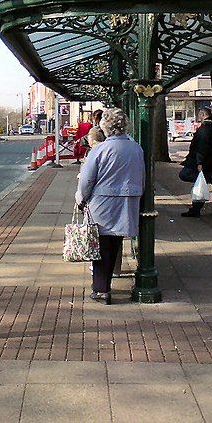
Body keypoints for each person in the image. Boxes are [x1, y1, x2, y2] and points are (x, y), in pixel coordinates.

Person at [75, 108, 145, 305]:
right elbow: (142, 177)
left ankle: (101, 290)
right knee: (114, 243)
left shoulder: (99, 150)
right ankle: (105, 283)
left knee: (100, 247)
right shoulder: (136, 148)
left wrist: (81, 198)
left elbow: (87, 181)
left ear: (105, 127)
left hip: (103, 204)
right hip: (127, 202)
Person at [179, 107, 212, 218]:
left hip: (201, 161)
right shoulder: (210, 126)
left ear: (202, 115)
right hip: (206, 161)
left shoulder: (205, 128)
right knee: (200, 183)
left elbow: (203, 146)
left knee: (186, 175)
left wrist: (199, 162)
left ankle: (211, 178)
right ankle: (196, 208)